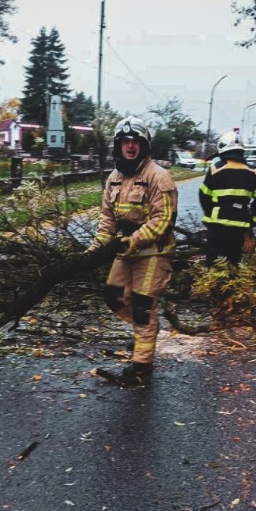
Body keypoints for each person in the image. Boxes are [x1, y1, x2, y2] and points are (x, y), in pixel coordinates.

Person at [87, 116, 178, 385]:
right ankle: (144, 332)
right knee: (114, 296)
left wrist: (134, 240)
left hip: (153, 251)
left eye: (134, 142)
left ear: (143, 146)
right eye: (124, 142)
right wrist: (95, 248)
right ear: (118, 146)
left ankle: (141, 367)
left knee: (142, 307)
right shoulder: (114, 179)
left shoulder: (159, 177)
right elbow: (107, 219)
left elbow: (163, 220)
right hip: (126, 251)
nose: (129, 146)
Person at [199, 131, 256, 266]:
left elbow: (204, 195)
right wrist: (252, 221)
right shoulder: (252, 171)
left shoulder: (215, 169)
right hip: (240, 227)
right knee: (234, 265)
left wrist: (210, 214)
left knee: (214, 266)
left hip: (217, 226)